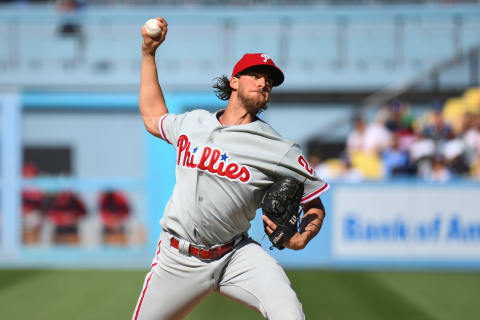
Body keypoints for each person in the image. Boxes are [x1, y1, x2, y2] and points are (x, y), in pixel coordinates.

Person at [132, 17, 329, 320]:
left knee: (287, 309)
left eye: (269, 80)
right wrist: (148, 54)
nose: (264, 82)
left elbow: (314, 202)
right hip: (178, 259)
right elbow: (152, 117)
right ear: (234, 81)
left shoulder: (280, 148)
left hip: (235, 255)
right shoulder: (193, 123)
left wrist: (304, 236)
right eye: (256, 75)